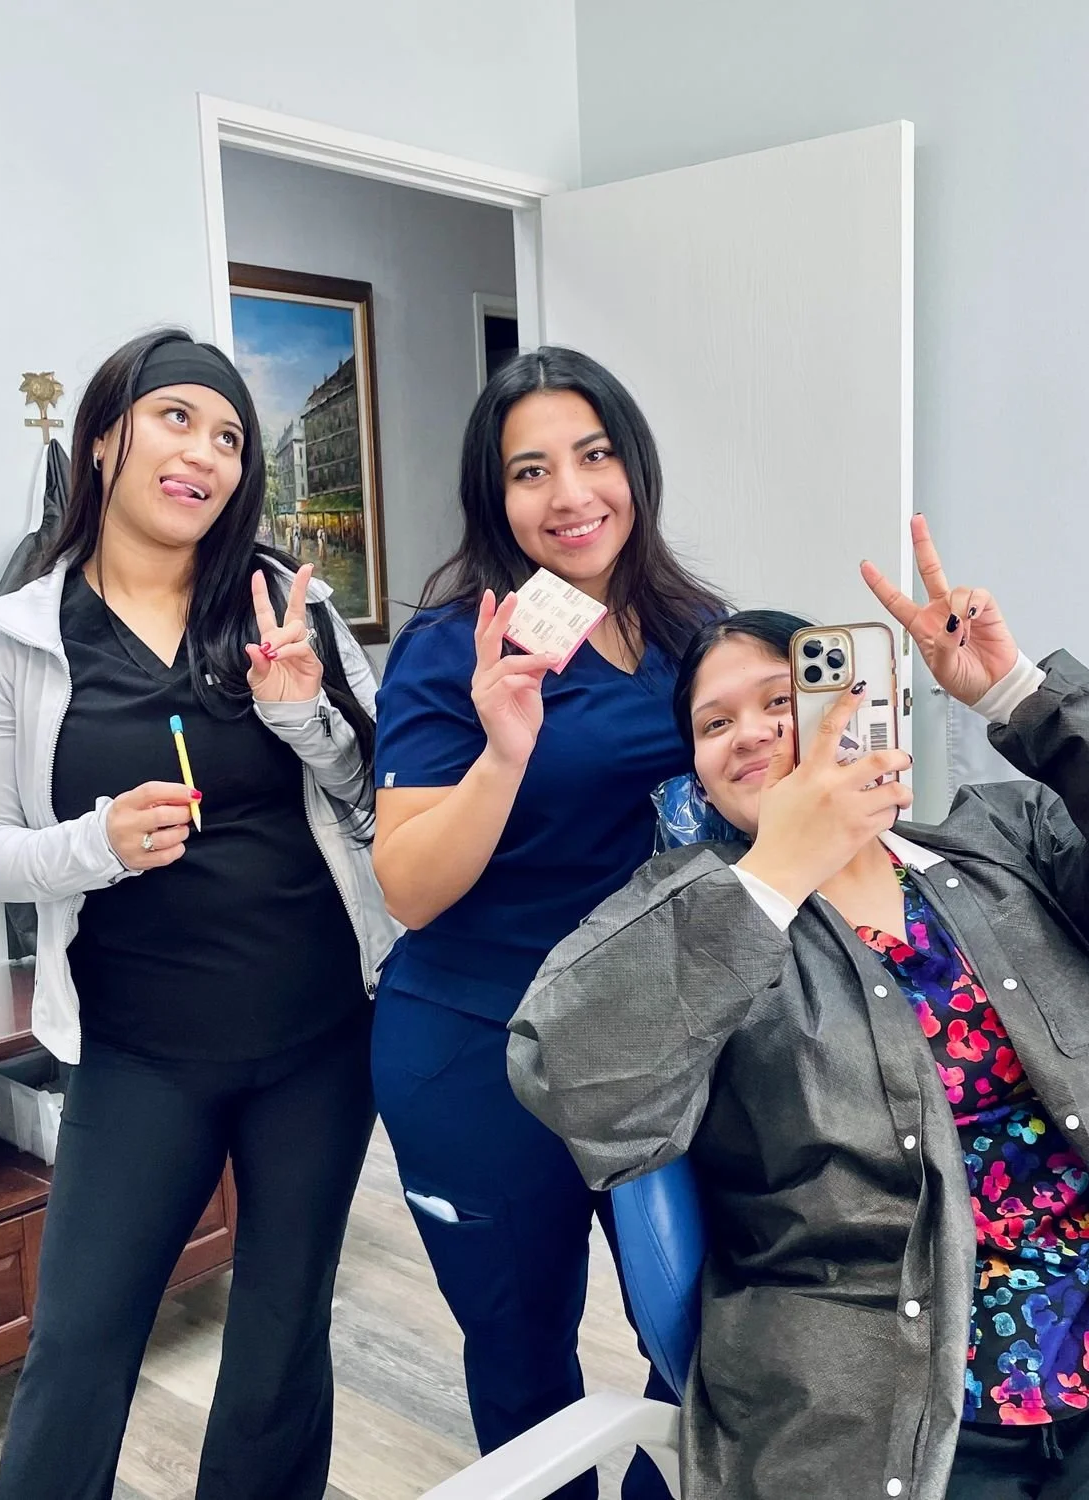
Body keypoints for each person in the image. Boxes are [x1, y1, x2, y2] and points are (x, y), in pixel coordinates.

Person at [508, 515, 1089, 1500]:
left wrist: (1019, 693)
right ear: (695, 770)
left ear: (851, 708)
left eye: (785, 697)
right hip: (877, 1414)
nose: (753, 735)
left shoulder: (1003, 847)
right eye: (715, 723)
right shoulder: (688, 917)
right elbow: (579, 1083)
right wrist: (778, 871)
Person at [0, 329, 396, 1500]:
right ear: (105, 440)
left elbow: (373, 801)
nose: (204, 452)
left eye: (231, 436)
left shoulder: (286, 607)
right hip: (141, 1053)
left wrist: (301, 711)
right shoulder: (10, 641)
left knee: (282, 1337)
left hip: (318, 1040)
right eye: (176, 418)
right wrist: (93, 844)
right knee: (78, 1345)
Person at [369, 347, 726, 1497]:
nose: (571, 495)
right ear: (495, 497)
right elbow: (410, 886)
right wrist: (505, 750)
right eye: (531, 471)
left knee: (704, 1331)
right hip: (477, 1054)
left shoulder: (692, 629)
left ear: (635, 467)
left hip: (656, 1048)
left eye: (594, 455)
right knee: (522, 1357)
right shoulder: (454, 648)